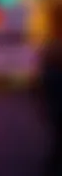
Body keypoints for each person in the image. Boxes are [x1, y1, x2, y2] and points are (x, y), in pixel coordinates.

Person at [38, 38, 62, 176]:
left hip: (54, 109)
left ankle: (53, 164)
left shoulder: (48, 72)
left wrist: (43, 109)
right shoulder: (55, 74)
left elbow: (43, 93)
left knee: (58, 138)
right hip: (58, 109)